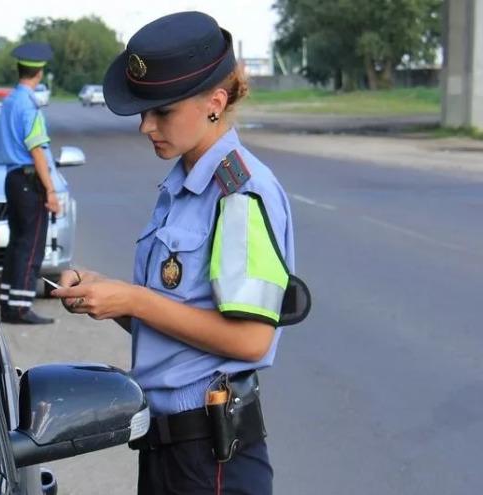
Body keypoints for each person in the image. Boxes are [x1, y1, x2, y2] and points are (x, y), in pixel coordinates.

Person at [51, 11, 309, 495]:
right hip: (169, 449)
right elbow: (181, 320)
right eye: (144, 110)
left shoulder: (239, 193)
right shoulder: (186, 185)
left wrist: (133, 300)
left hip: (210, 460)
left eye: (162, 111)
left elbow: (253, 340)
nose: (146, 125)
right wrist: (107, 295)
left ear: (215, 103)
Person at [0, 41, 61, 325]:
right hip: (29, 180)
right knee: (31, 245)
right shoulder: (30, 107)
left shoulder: (10, 100)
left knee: (16, 244)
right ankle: (22, 308)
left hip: (13, 178)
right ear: (39, 73)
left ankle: (9, 303)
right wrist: (50, 190)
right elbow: (37, 150)